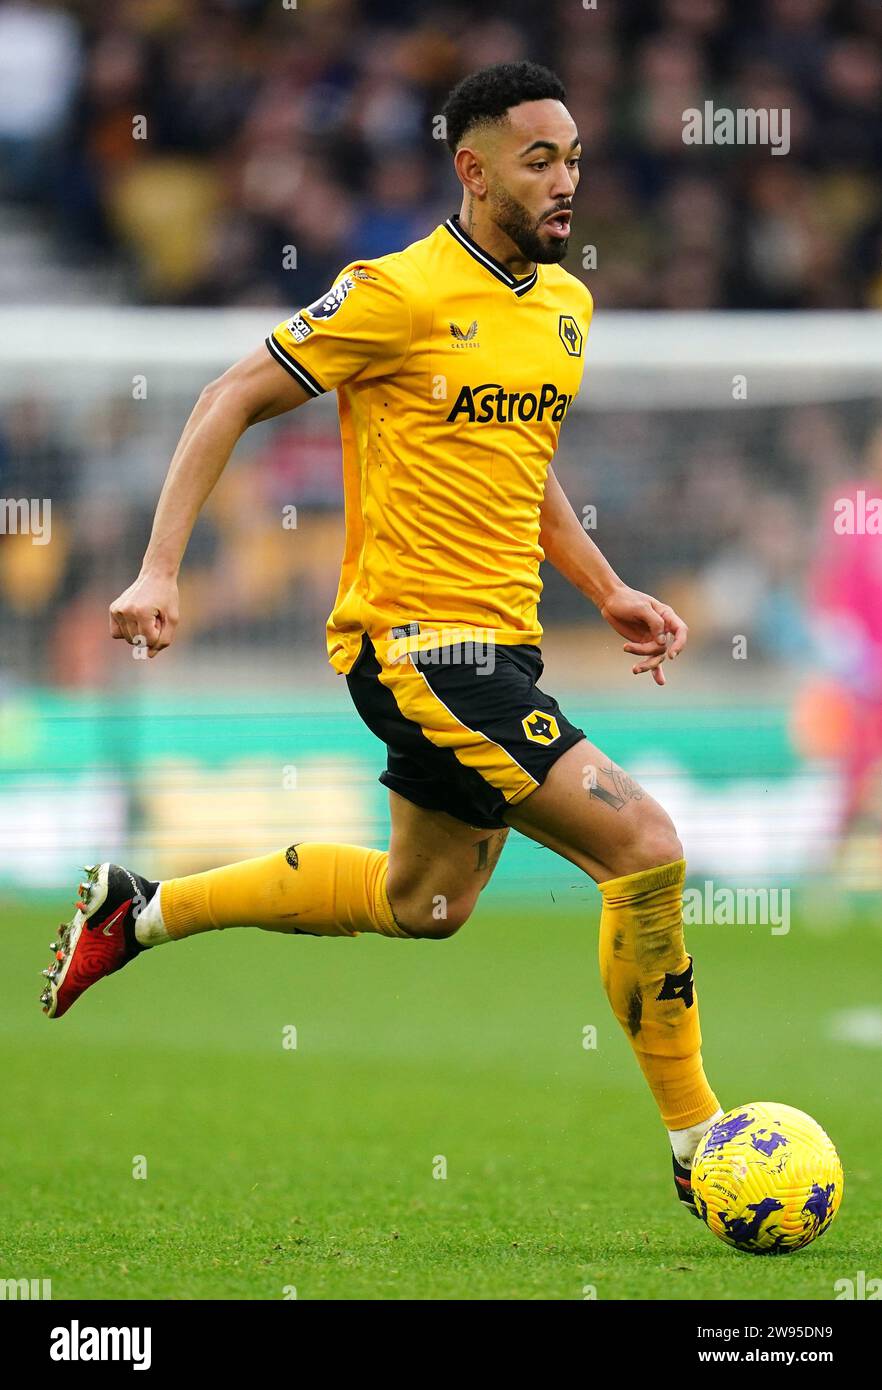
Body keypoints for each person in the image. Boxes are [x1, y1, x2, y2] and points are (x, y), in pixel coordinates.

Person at [39, 62, 721, 1213]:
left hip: (503, 646)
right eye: (539, 160)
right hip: (418, 649)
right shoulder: (393, 293)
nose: (566, 183)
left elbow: (520, 461)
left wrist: (603, 588)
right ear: (473, 168)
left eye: (575, 160)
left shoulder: (565, 305)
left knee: (427, 904)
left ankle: (137, 910)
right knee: (643, 846)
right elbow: (226, 395)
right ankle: (701, 1139)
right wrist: (158, 568)